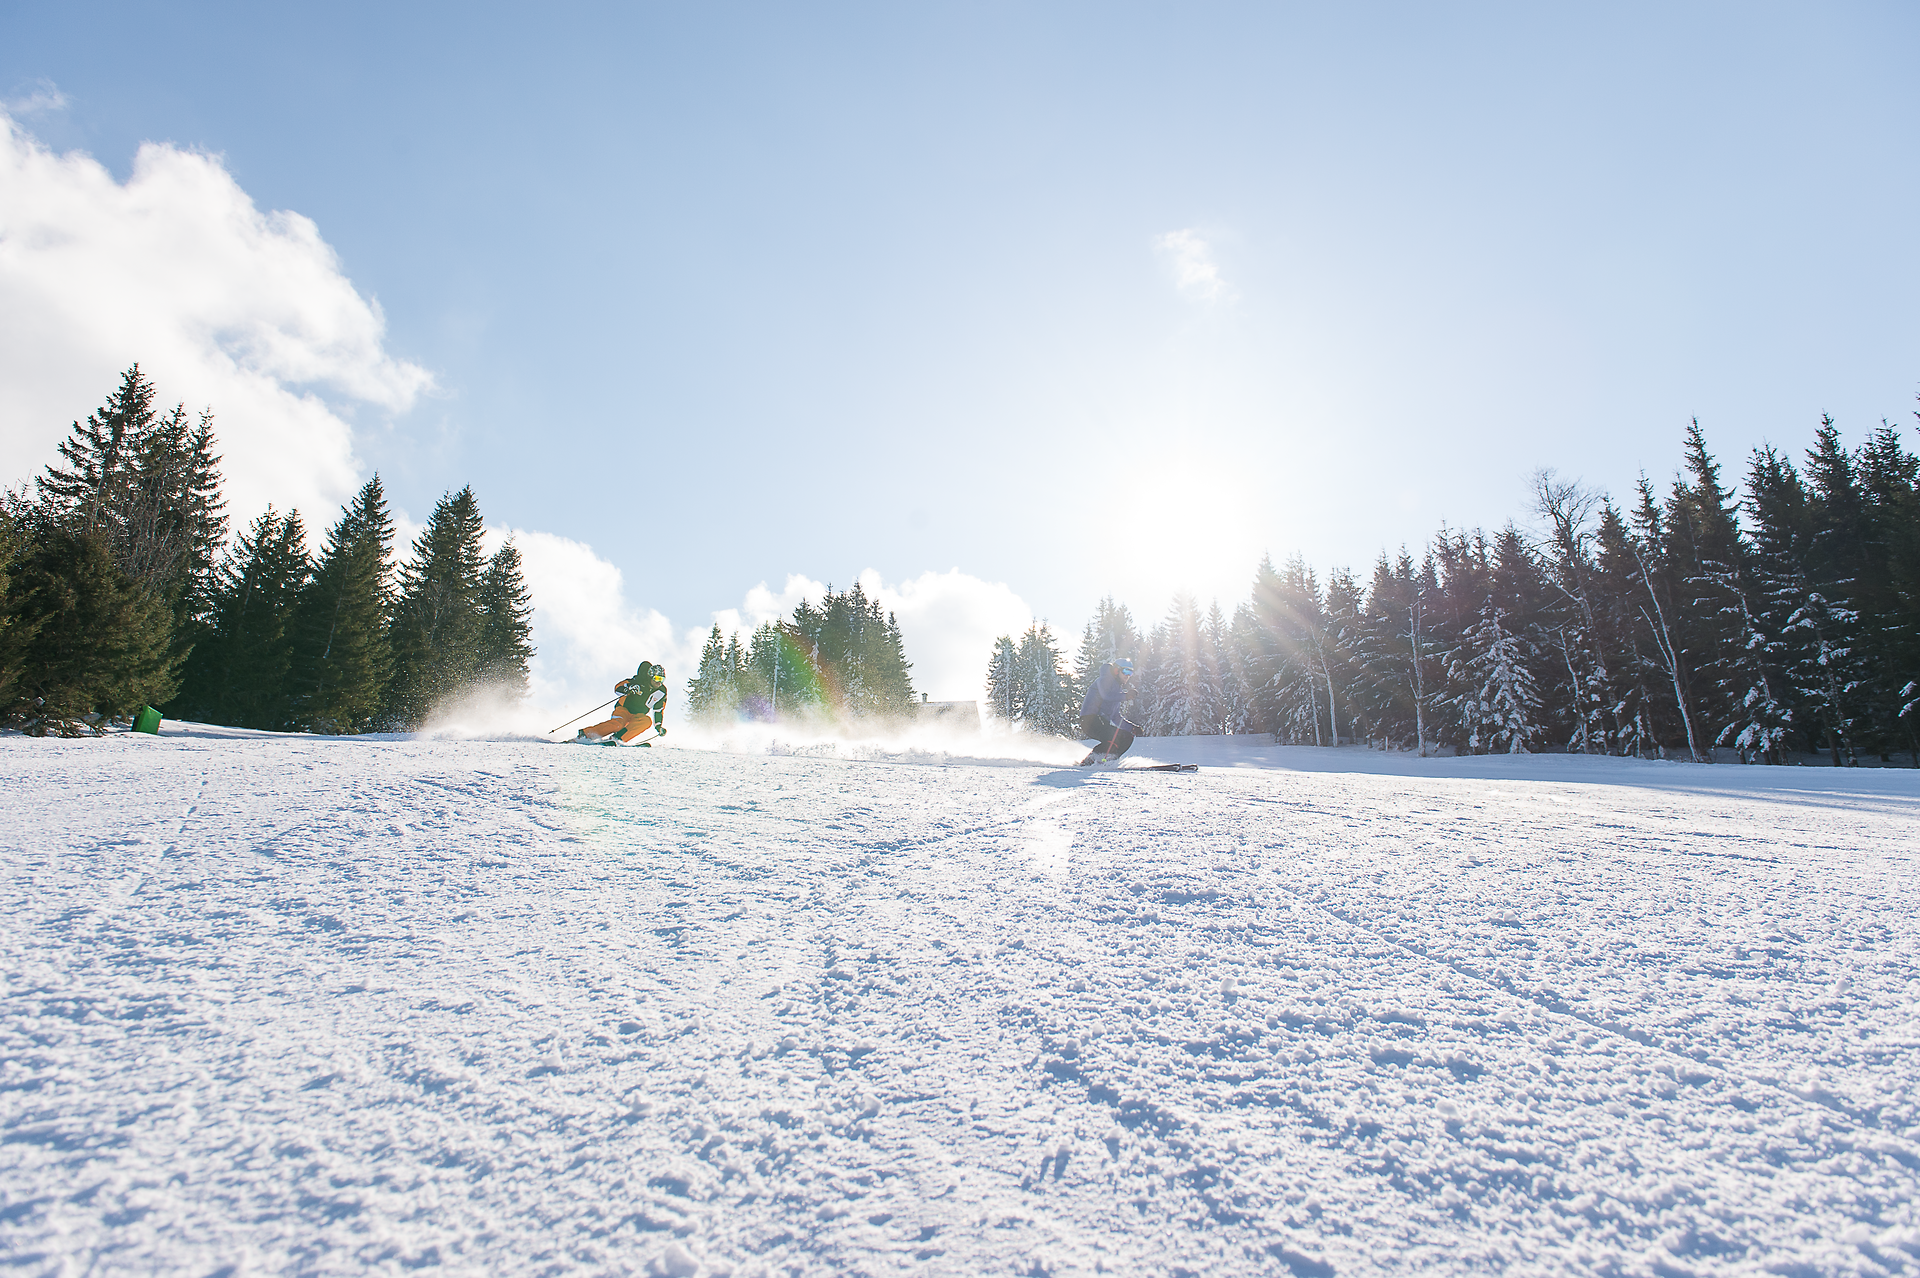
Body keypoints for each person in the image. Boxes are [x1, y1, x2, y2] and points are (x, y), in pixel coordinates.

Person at [577, 661, 669, 745]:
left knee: (646, 721)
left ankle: (618, 738)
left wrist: (658, 727)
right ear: (650, 677)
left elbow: (658, 709)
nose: (659, 682)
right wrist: (628, 689)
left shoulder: (661, 692)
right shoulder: (637, 682)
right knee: (618, 724)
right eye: (657, 678)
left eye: (661, 679)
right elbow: (617, 688)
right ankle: (586, 734)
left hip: (638, 714)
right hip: (624, 709)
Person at [1077, 657, 1145, 765]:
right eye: (1125, 671)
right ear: (1116, 670)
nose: (1128, 676)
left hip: (1101, 722)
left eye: (1130, 673)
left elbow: (1116, 717)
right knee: (1112, 737)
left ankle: (1109, 760)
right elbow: (1106, 695)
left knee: (1127, 737)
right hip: (1090, 720)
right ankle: (1089, 761)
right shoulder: (1104, 680)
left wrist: (1131, 728)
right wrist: (1126, 696)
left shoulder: (1117, 689)